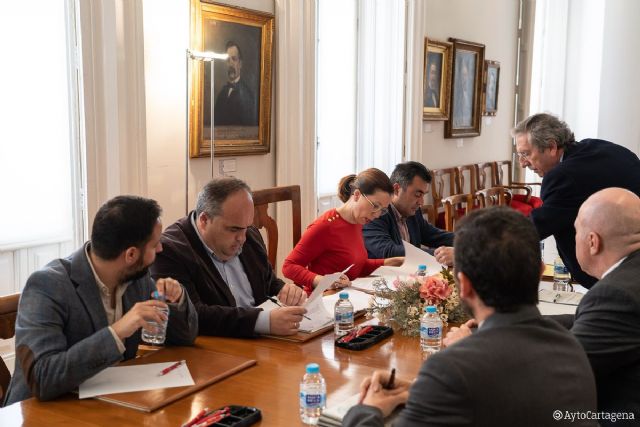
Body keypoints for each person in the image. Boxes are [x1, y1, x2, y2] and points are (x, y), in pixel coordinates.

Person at [343, 207, 597, 427]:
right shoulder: (572, 347)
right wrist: (421, 392)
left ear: (463, 285)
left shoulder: (452, 369)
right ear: (540, 271)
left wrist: (368, 408)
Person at [4, 196, 197, 405]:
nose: (160, 249)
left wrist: (176, 301)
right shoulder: (47, 285)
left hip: (107, 405)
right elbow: (43, 378)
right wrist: (118, 331)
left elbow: (184, 337)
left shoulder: (136, 277)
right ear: (131, 254)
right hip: (43, 413)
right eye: (155, 244)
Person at [150, 178, 307, 338]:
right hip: (218, 349)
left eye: (246, 227)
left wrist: (285, 290)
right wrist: (262, 321)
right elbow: (193, 315)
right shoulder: (169, 251)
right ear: (204, 220)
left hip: (267, 342)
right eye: (233, 229)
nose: (242, 238)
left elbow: (267, 282)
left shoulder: (248, 233)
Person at [514, 112, 640, 288]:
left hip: (618, 278)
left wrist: (479, 240)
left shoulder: (563, 176)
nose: (522, 163)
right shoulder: (598, 147)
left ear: (551, 147)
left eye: (526, 154)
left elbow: (535, 227)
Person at [551, 188, 640, 420]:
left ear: (593, 241)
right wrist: (510, 326)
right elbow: (593, 321)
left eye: (576, 231)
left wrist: (484, 351)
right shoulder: (628, 280)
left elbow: (559, 373)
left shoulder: (617, 294)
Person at [282, 168, 404, 295]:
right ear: (356, 195)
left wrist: (387, 262)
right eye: (375, 206)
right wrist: (323, 281)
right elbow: (288, 266)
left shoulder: (358, 221)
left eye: (382, 210)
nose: (377, 214)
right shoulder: (325, 226)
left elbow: (356, 265)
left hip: (346, 296)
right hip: (322, 300)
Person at [363, 161, 454, 265]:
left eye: (423, 195)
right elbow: (388, 251)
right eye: (417, 194)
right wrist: (441, 255)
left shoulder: (411, 210)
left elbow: (433, 235)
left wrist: (468, 241)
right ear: (396, 189)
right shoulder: (376, 213)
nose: (421, 202)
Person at [213, 40, 258, 126]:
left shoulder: (248, 95)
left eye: (234, 59)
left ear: (240, 64)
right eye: (228, 60)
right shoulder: (221, 95)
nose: (231, 63)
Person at [452, 55, 473, 128]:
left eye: (466, 75)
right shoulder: (456, 94)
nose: (464, 78)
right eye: (463, 75)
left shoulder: (470, 95)